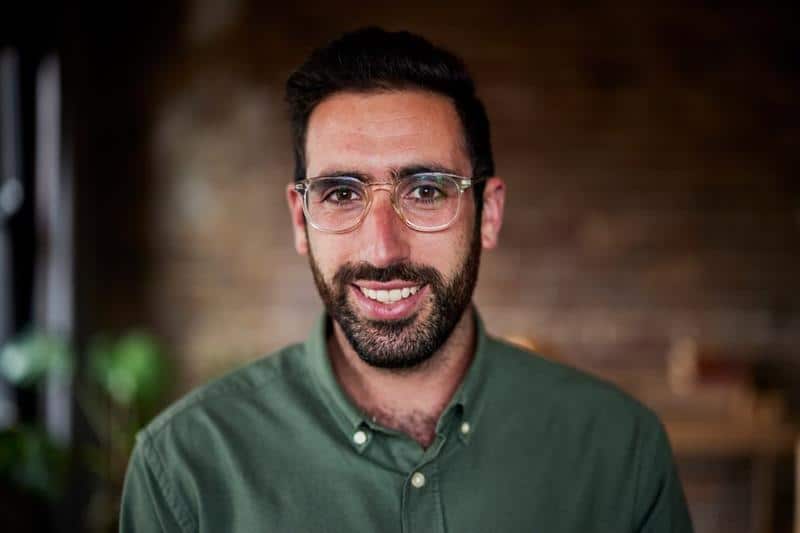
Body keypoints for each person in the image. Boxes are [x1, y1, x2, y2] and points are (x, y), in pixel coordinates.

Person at [120, 27, 694, 532]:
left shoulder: (622, 452)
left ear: (488, 215)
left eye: (425, 192)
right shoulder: (185, 470)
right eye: (342, 194)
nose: (382, 248)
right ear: (301, 220)